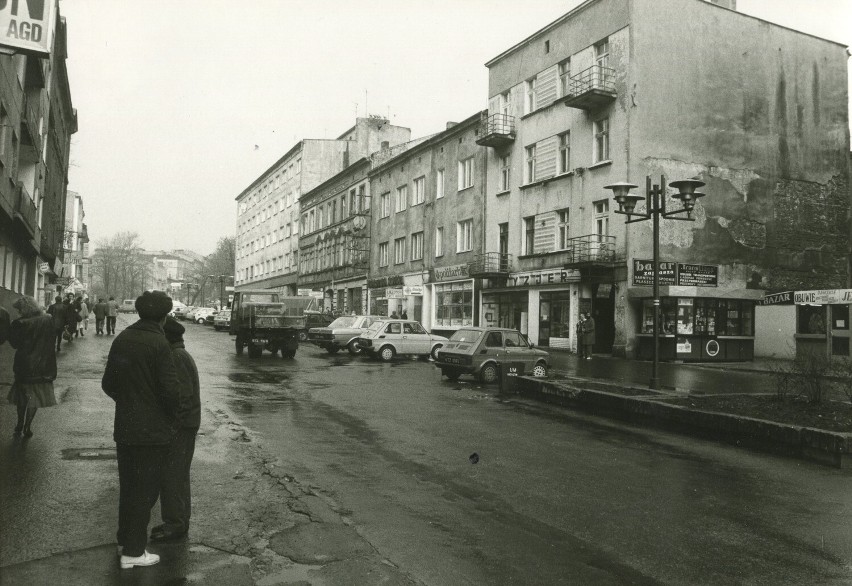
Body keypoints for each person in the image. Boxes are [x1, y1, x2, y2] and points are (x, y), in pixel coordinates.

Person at [102, 290, 181, 569]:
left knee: (129, 487)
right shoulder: (159, 343)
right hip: (152, 432)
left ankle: (126, 541)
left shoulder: (123, 338)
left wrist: (130, 403)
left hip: (125, 428)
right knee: (145, 492)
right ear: (164, 316)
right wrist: (169, 416)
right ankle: (134, 552)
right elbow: (171, 392)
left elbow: (108, 383)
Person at [151, 317, 200, 543]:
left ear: (166, 337)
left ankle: (175, 524)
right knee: (177, 476)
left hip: (181, 427)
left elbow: (183, 397)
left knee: (172, 476)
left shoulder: (175, 358)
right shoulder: (179, 355)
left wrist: (172, 426)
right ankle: (178, 521)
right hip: (184, 425)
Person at [7, 296, 57, 438]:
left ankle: (19, 423)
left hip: (24, 364)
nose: (18, 312)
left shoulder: (19, 323)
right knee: (34, 397)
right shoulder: (48, 319)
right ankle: (27, 427)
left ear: (24, 308)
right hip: (43, 364)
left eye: (19, 309)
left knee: (22, 396)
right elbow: (52, 338)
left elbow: (15, 344)